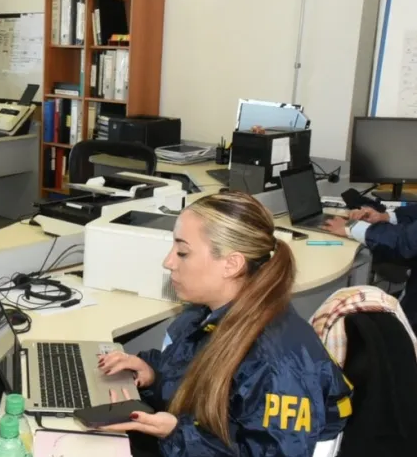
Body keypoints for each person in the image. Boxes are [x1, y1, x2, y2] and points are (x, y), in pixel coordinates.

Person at [99, 191, 352, 456]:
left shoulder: (276, 363)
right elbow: (195, 379)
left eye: (183, 252)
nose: (168, 262)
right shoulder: (211, 314)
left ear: (232, 264)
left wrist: (176, 434)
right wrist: (153, 375)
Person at [323, 103, 417, 427]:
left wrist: (353, 228)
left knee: (370, 344)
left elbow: (410, 245)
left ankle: (396, 422)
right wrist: (388, 216)